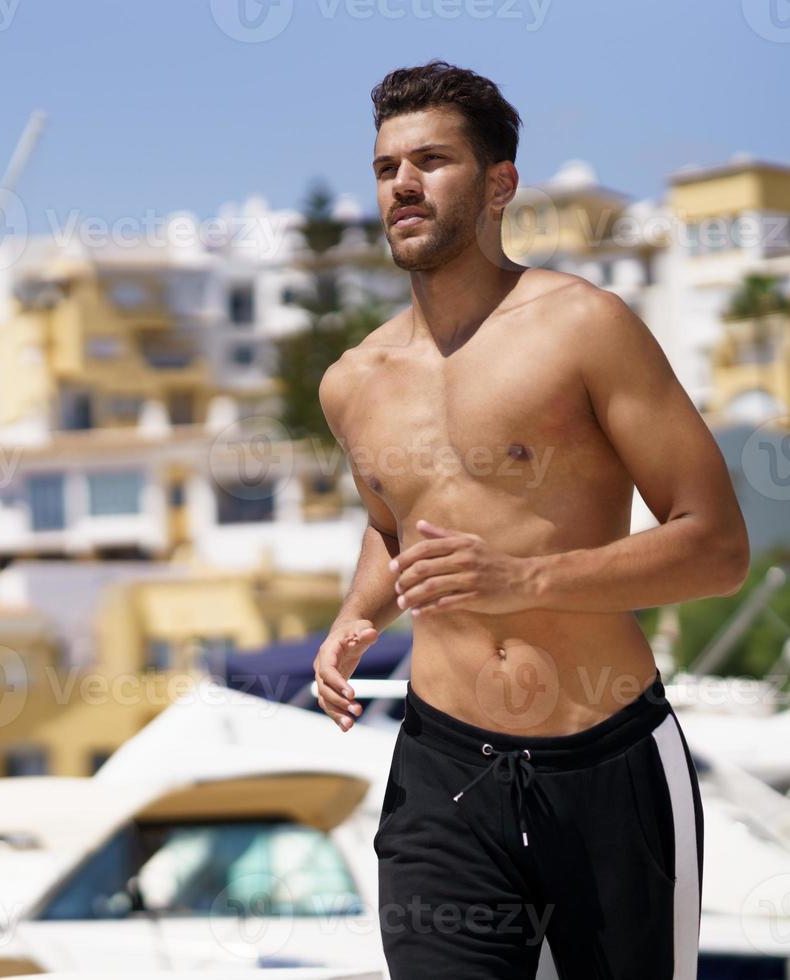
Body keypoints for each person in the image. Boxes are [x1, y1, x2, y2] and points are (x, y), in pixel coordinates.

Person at [313, 60, 750, 979]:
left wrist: (529, 578)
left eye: (431, 160)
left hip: (609, 763)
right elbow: (393, 526)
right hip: (443, 772)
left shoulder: (585, 327)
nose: (403, 184)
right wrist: (358, 616)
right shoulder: (354, 381)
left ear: (499, 183)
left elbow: (715, 545)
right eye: (388, 165)